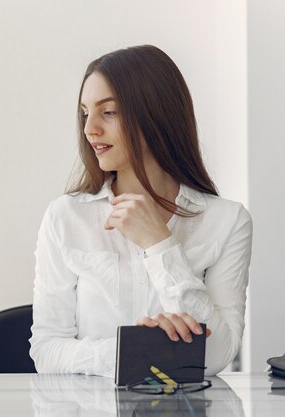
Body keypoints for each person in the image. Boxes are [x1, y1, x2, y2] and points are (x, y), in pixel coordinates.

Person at [29, 45, 252, 377]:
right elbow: (46, 351)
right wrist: (135, 351)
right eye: (85, 113)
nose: (90, 129)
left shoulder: (228, 221)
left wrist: (160, 245)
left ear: (156, 114)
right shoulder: (65, 217)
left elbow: (218, 354)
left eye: (109, 112)